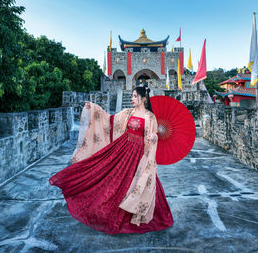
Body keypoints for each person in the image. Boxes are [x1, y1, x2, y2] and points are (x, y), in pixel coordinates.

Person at [49, 86, 173, 234]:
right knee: (110, 176)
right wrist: (93, 108)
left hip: (139, 154)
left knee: (136, 182)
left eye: (135, 96)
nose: (132, 99)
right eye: (132, 96)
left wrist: (154, 137)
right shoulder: (129, 112)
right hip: (123, 148)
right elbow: (109, 119)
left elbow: (151, 135)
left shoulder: (150, 117)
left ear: (144, 98)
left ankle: (135, 213)